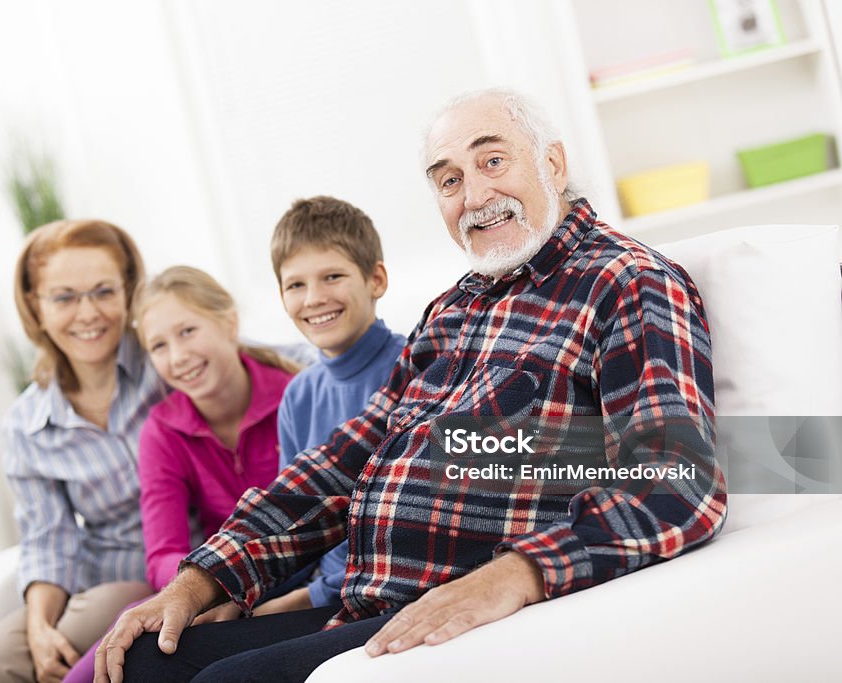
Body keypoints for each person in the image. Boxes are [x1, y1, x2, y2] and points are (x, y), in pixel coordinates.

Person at [93, 88, 728, 683]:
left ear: (553, 165)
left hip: (475, 614)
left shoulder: (626, 283)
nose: (474, 195)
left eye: (493, 160)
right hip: (378, 602)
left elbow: (678, 482)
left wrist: (516, 574)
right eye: (450, 180)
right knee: (146, 664)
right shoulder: (452, 309)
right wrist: (203, 578)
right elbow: (348, 461)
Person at [60, 265, 299, 683]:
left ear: (229, 323)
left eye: (188, 332)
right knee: (116, 647)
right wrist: (210, 587)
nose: (177, 357)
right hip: (215, 584)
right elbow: (162, 554)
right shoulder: (164, 430)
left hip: (295, 584)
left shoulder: (295, 394)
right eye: (159, 346)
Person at [0, 219, 163, 683]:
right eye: (64, 297)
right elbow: (48, 538)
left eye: (103, 292)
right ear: (36, 306)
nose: (88, 313)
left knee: (84, 636)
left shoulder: (169, 361)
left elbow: (265, 359)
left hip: (170, 572)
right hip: (95, 581)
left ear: (129, 291)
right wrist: (37, 626)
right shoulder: (26, 423)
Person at [254, 195, 406, 616]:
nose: (314, 298)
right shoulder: (298, 395)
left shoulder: (412, 370)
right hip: (315, 587)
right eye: (296, 285)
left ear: (375, 280)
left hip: (370, 596)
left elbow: (399, 536)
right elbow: (291, 522)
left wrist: (297, 603)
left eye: (332, 276)